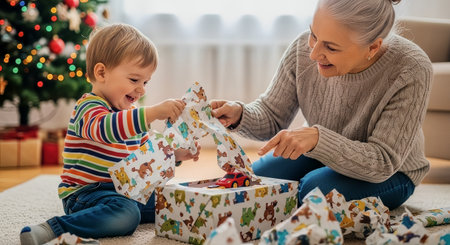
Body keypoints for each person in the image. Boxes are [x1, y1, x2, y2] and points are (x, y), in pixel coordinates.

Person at [211, 0, 432, 210]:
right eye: (314, 35)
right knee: (248, 182)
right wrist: (239, 114)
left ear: (373, 47)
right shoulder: (301, 48)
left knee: (312, 192)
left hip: (391, 173)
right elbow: (271, 116)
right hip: (320, 152)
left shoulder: (411, 68)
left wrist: (318, 138)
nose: (314, 53)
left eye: (331, 47)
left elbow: (383, 162)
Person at [20, 23, 200, 245]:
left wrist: (177, 155)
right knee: (127, 216)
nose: (142, 89)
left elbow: (147, 158)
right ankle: (54, 228)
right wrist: (152, 112)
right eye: (134, 80)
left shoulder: (133, 116)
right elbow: (107, 129)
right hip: (87, 194)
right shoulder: (88, 108)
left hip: (128, 190)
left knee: (171, 199)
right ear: (101, 72)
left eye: (145, 82)